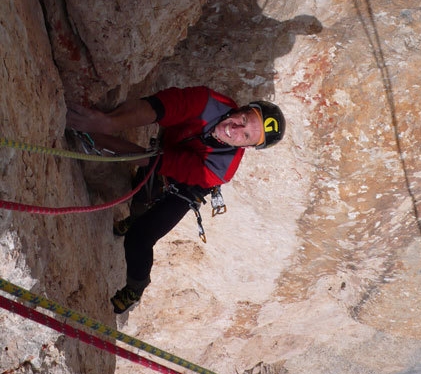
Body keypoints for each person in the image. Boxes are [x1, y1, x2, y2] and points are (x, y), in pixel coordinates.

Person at [66, 86, 285, 314]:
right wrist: (108, 123)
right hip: (169, 149)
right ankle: (135, 217)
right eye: (243, 118)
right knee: (140, 199)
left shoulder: (221, 169)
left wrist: (99, 139)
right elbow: (159, 108)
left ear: (248, 147)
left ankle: (135, 288)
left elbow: (155, 162)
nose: (235, 128)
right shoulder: (209, 103)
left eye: (246, 135)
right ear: (242, 108)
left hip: (190, 186)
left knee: (139, 238)